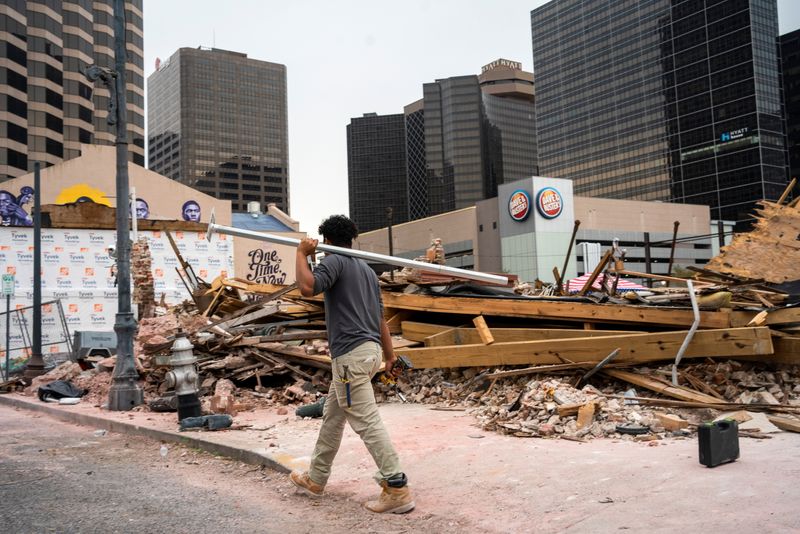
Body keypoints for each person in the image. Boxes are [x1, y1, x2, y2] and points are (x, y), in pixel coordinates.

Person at [289, 214, 415, 514]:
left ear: (328, 241)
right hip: (369, 353)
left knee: (367, 421)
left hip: (350, 358)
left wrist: (300, 254)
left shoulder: (334, 261)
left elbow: (307, 287)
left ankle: (396, 487)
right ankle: (317, 478)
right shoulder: (367, 271)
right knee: (333, 417)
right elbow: (380, 320)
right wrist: (389, 356)